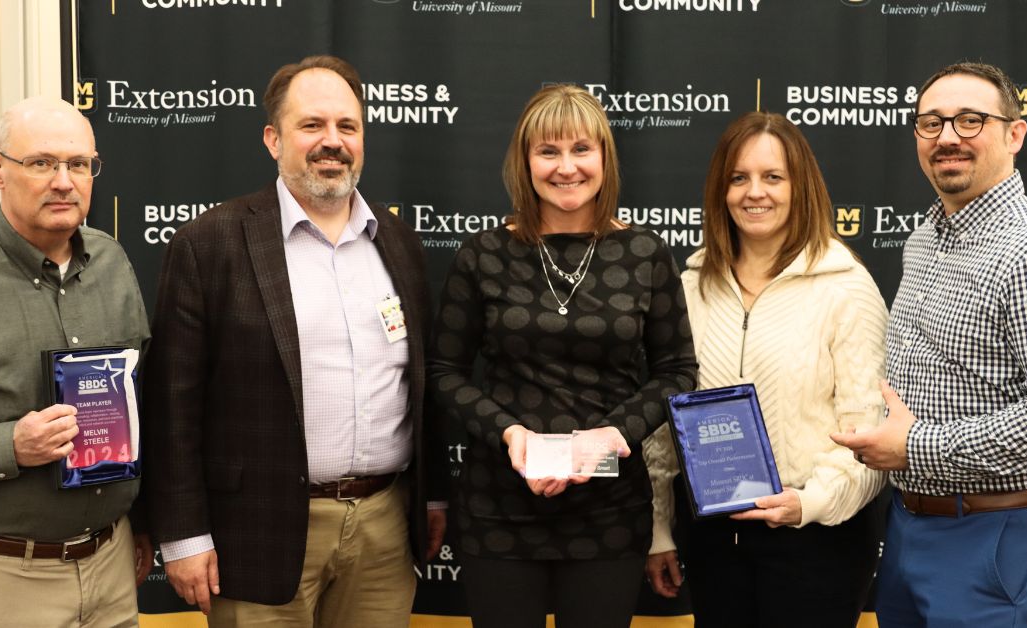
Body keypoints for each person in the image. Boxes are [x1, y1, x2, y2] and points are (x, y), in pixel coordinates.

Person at [143, 55, 446, 627]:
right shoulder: (211, 243)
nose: (331, 141)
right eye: (311, 125)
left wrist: (431, 498)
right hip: (256, 531)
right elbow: (172, 405)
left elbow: (421, 383)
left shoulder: (398, 241)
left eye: (347, 127)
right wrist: (183, 535)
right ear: (272, 138)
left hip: (385, 529)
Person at [831, 62, 1027, 627]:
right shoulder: (924, 238)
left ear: (1014, 133)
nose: (948, 136)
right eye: (931, 123)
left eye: (970, 120)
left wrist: (916, 448)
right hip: (912, 525)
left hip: (995, 534)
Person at [427, 84, 697, 628]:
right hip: (499, 506)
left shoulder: (645, 254)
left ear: (605, 159)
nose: (566, 167)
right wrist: (510, 434)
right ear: (524, 162)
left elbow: (676, 371)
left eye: (581, 150)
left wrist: (612, 435)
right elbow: (445, 372)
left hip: (609, 512)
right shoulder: (484, 254)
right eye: (548, 151)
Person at [643, 111, 888, 627]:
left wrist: (808, 503)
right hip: (712, 542)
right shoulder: (690, 286)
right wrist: (659, 529)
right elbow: (662, 428)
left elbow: (870, 436)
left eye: (773, 177)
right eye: (739, 178)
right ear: (721, 190)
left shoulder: (846, 286)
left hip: (816, 540)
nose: (756, 192)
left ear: (801, 187)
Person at [0, 96, 152, 627]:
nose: (64, 181)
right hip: (3, 576)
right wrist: (8, 446)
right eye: (43, 163)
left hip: (112, 566)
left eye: (78, 164)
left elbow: (144, 401)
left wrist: (141, 521)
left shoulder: (113, 263)